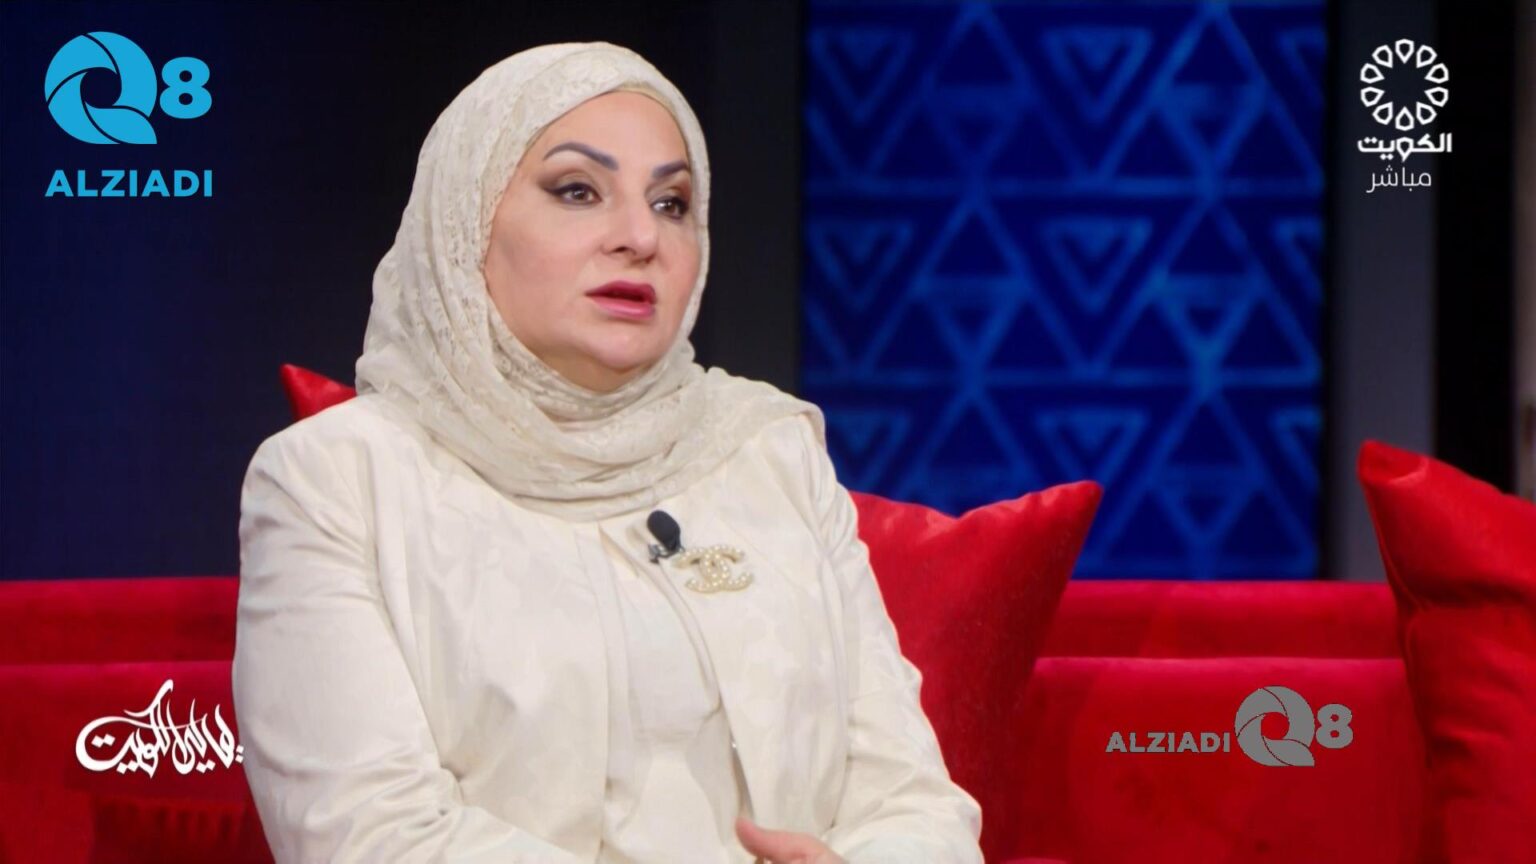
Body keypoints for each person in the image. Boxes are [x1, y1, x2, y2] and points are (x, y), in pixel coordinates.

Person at [232, 41, 983, 864]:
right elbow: (368, 836)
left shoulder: (770, 450)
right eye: (578, 191)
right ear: (464, 222)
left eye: (671, 203)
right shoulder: (336, 481)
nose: (640, 236)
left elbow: (910, 799)